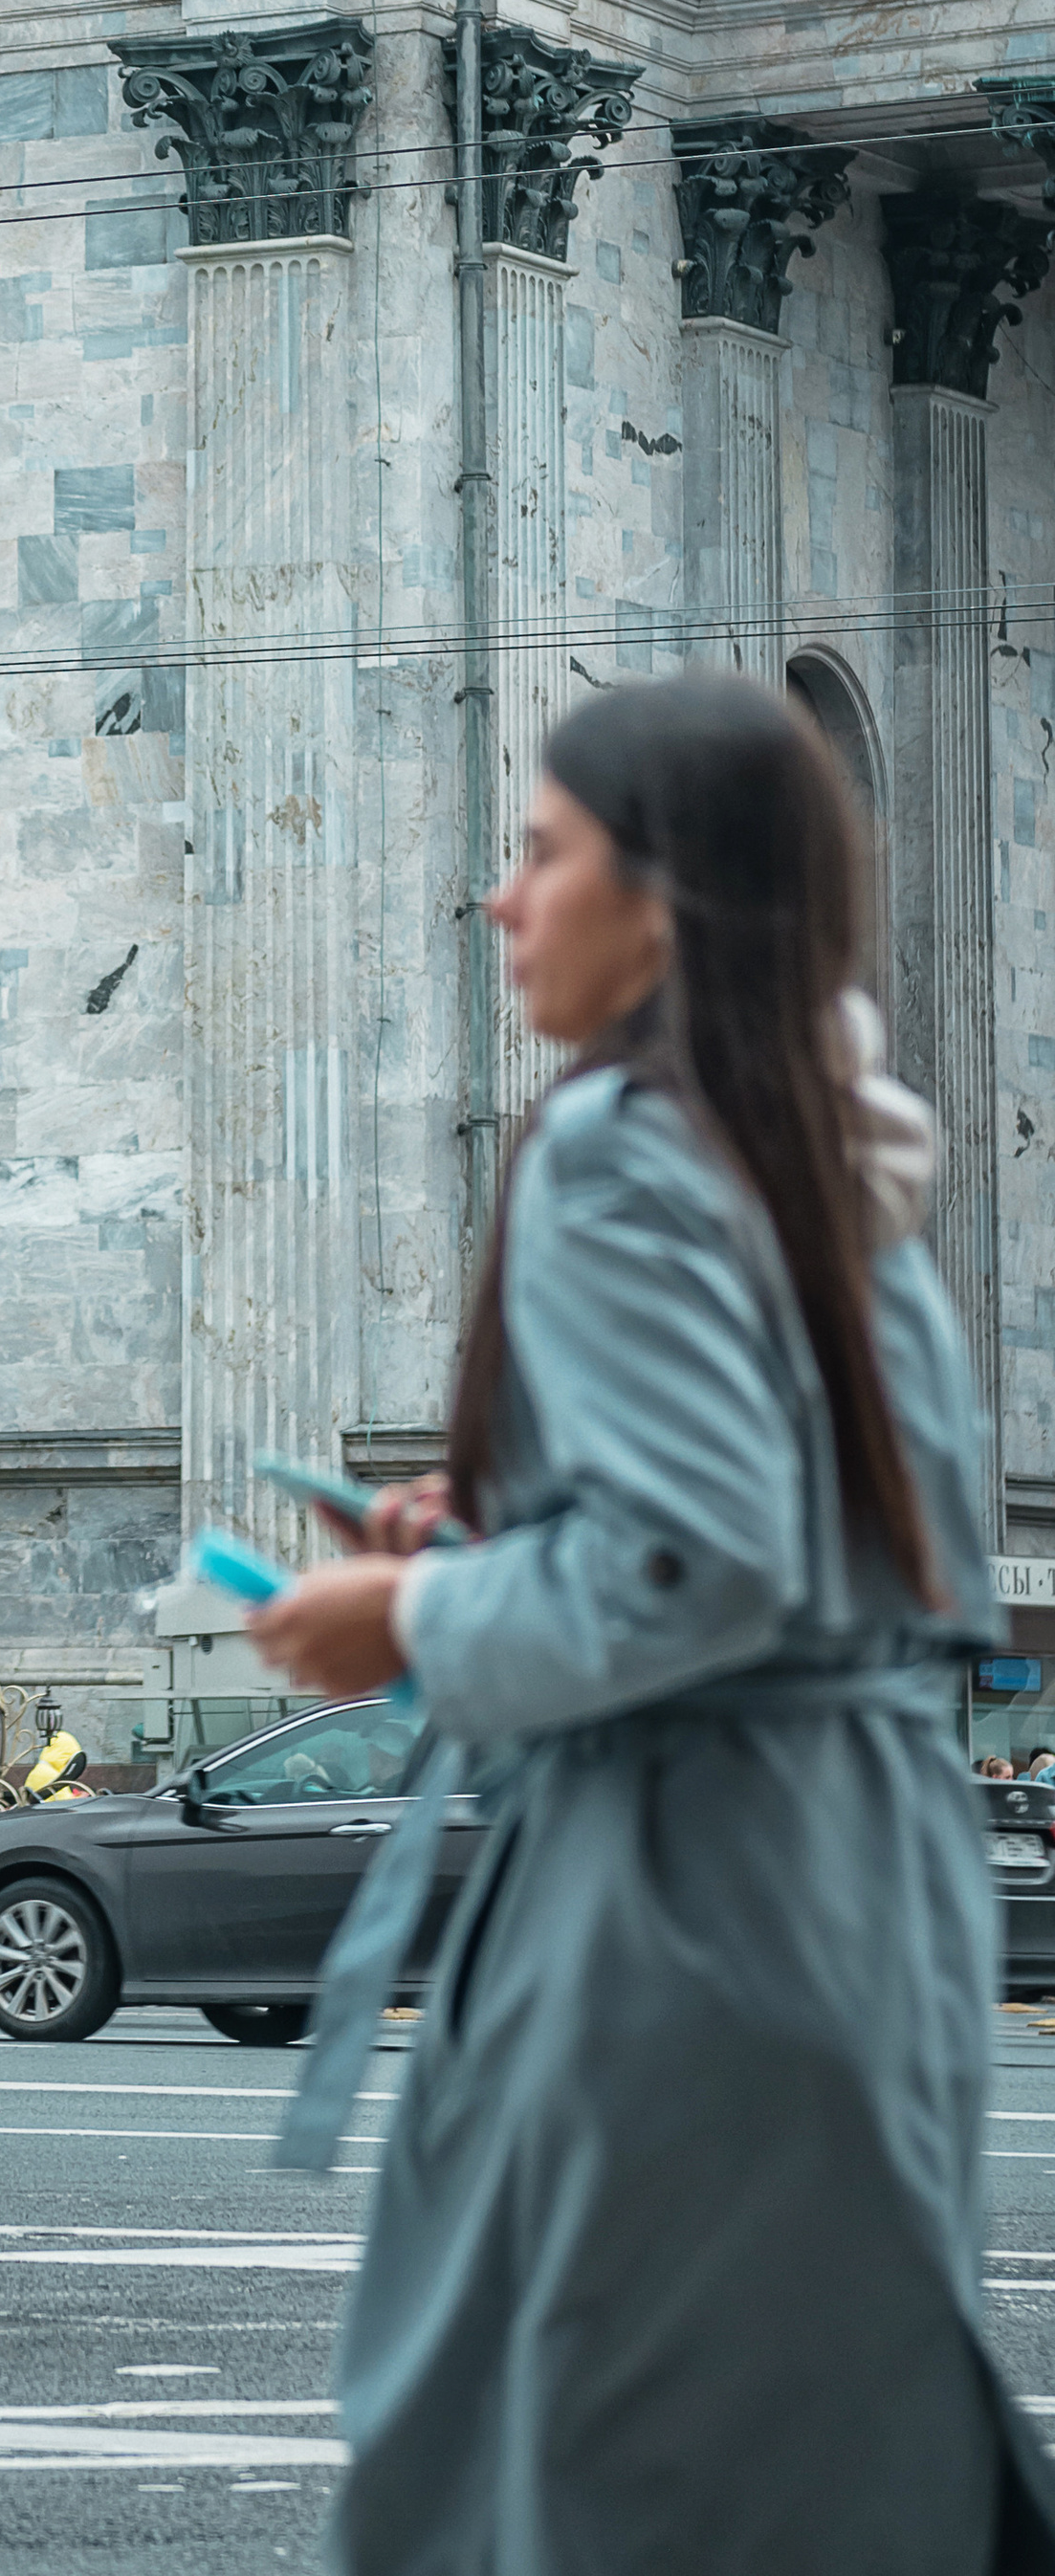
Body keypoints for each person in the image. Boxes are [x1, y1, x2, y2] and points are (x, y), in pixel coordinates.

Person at [250, 675, 1055, 2576]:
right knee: (815, 2460)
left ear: (662, 899)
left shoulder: (618, 1142)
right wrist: (506, 1530)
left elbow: (699, 1563)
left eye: (537, 853)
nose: (497, 900)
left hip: (682, 1887)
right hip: (861, 1868)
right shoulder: (822, 1148)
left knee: (602, 2464)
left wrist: (411, 1611)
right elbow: (825, 1528)